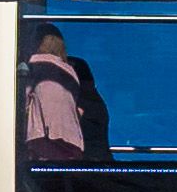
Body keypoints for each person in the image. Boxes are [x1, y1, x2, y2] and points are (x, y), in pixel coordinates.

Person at [22, 21, 112, 165]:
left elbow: (22, 102)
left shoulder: (35, 66)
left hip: (44, 137)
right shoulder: (69, 72)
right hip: (72, 141)